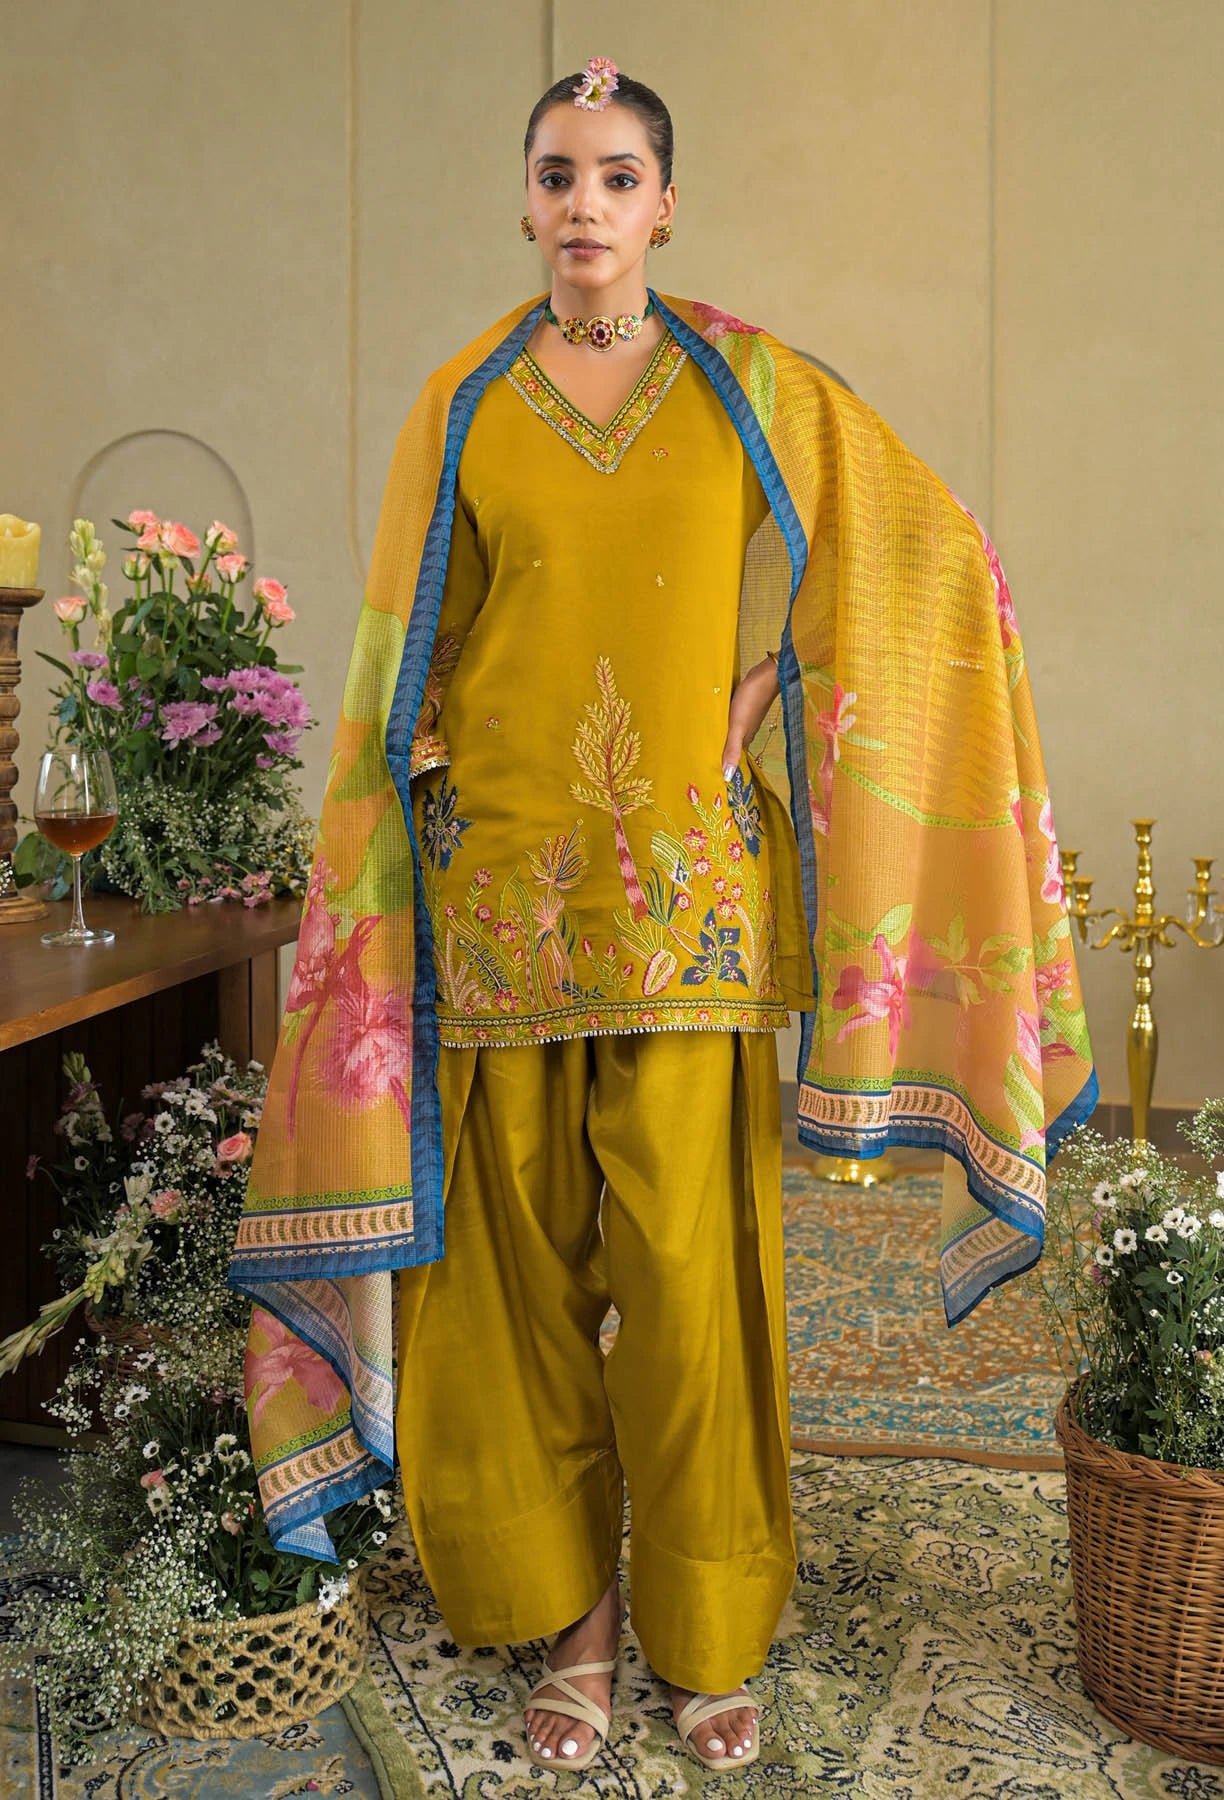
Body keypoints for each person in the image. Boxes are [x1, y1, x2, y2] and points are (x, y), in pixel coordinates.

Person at [229, 56, 1096, 1779]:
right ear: (526, 199)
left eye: (617, 176)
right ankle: (579, 1623)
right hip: (498, 921)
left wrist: (783, 668)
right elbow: (406, 646)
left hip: (692, 914)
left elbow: (923, 546)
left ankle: (705, 1627)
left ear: (665, 203)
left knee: (700, 1296)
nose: (583, 206)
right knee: (520, 1294)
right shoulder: (460, 405)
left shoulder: (750, 385)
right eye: (557, 174)